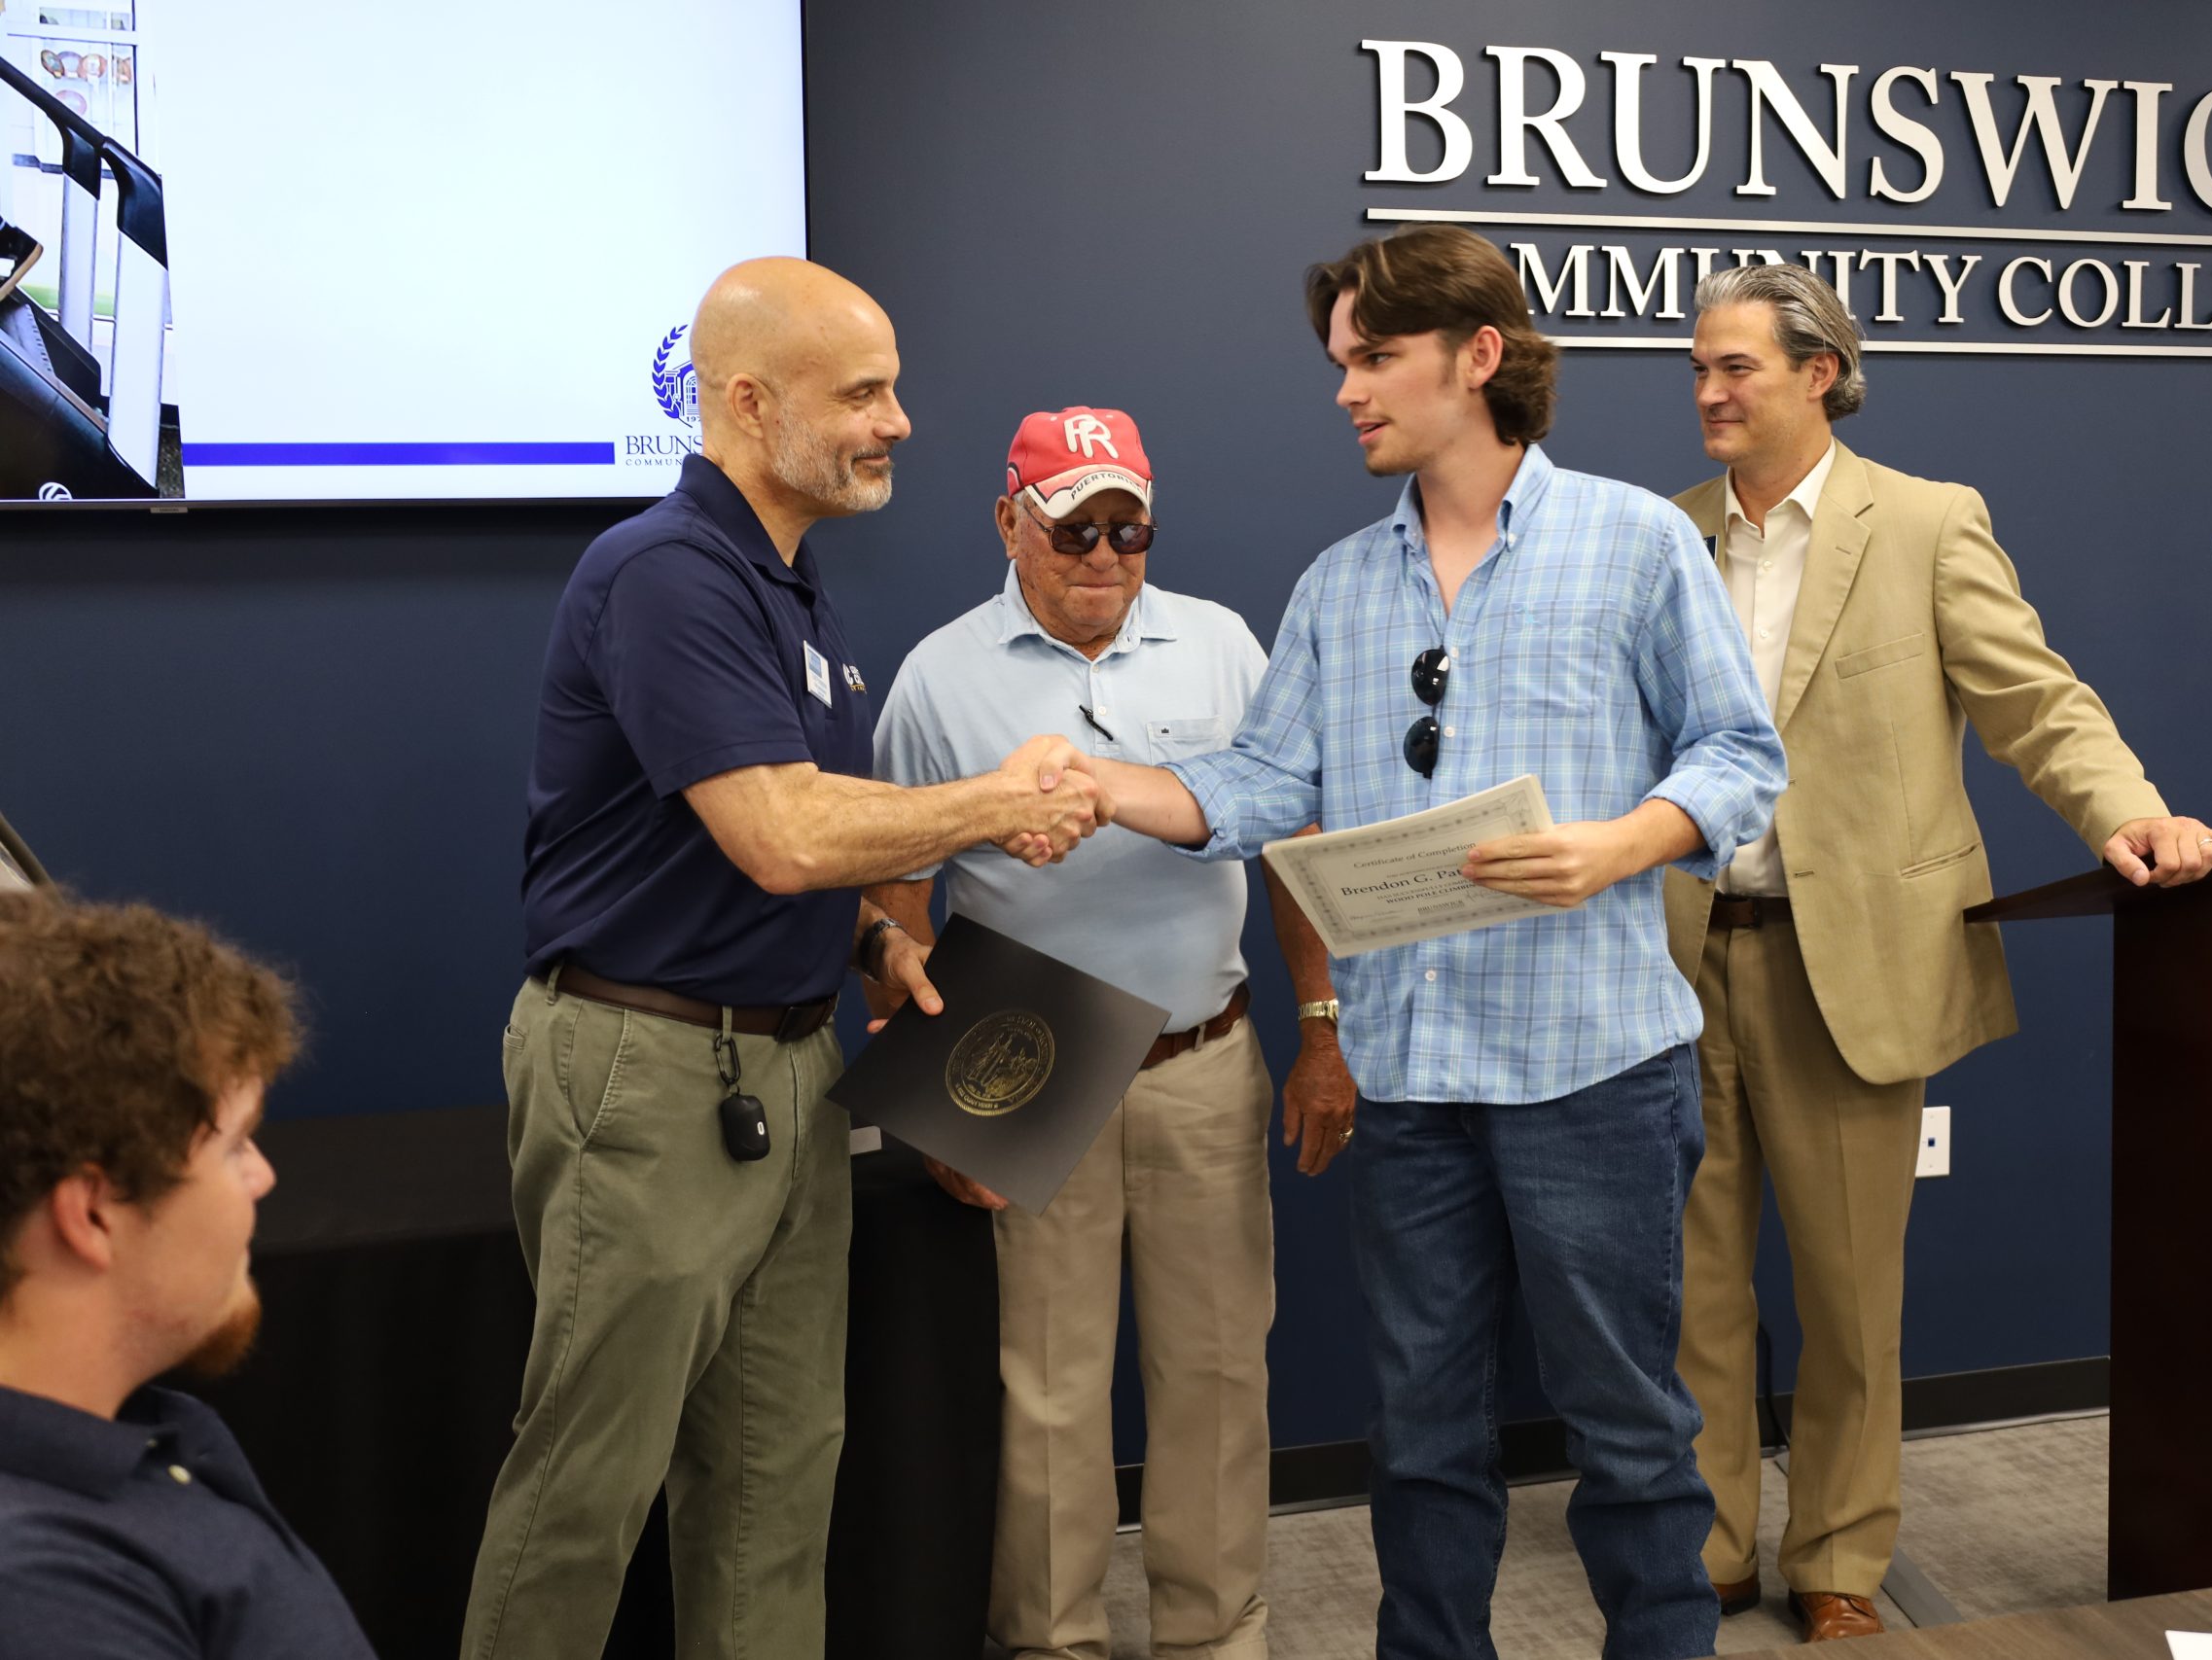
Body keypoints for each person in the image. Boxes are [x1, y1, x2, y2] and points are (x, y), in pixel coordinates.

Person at [1067, 225, 1787, 1660]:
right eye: (1340, 363)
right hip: (1413, 1088)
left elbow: (1737, 754)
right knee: (1419, 1438)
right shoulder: (1340, 584)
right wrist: (1102, 783)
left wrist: (1620, 842)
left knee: (1634, 1434)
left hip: (1595, 1071)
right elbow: (1268, 786)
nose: (1346, 391)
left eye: (1375, 359)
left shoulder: (1636, 540)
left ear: (1477, 356)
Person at [460, 258, 1110, 1660]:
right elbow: (777, 829)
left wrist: (873, 934)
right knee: (586, 1486)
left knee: (773, 1481)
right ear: (749, 402)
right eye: (864, 391)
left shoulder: (795, 596)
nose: (900, 421)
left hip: (789, 1069)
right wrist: (1008, 797)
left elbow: (763, 846)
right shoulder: (662, 574)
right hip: (643, 1074)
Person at [1663, 262, 2212, 1642]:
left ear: (1819, 370)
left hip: (1850, 964)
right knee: (1690, 1289)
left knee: (1855, 1296)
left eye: (1735, 366)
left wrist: (2135, 812)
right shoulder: (1658, 534)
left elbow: (2037, 702)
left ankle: (1840, 1557)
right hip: (1676, 961)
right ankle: (1710, 1542)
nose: (1707, 392)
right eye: (1696, 368)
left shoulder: (1922, 524)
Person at [865, 406, 1350, 1660]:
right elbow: (895, 907)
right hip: (1023, 1070)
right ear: (1007, 523)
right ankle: (1052, 1641)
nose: (1101, 554)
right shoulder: (939, 676)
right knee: (1046, 1393)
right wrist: (932, 1105)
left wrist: (1319, 1027)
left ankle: (1214, 1633)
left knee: (1219, 1374)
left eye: (1126, 527)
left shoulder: (1223, 647)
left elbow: (1292, 849)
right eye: (1071, 526)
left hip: (1203, 1056)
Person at [0, 891, 377, 1660]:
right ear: (96, 1212)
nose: (263, 1177)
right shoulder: (42, 1592)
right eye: (234, 1145)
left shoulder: (138, 1433)